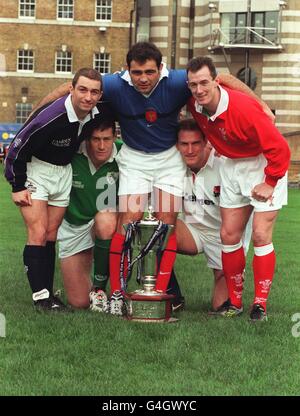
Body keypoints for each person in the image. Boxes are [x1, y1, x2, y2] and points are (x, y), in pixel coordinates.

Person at [30, 42, 274, 316]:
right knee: (129, 219)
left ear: (161, 69)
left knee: (165, 222)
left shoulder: (179, 81)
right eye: (136, 72)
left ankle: (160, 290)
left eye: (149, 72)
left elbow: (225, 79)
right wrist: (35, 116)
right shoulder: (113, 84)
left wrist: (261, 105)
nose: (143, 79)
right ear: (127, 70)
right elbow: (68, 87)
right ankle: (118, 293)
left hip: (168, 159)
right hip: (135, 158)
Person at [186, 56, 291, 321]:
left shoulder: (243, 108)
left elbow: (280, 148)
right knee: (229, 234)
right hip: (231, 166)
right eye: (193, 85)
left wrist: (270, 181)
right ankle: (234, 302)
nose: (199, 90)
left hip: (263, 163)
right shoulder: (195, 106)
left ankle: (260, 305)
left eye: (204, 83)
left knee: (259, 235)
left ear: (215, 81)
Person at [4, 67, 108, 311]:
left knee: (51, 234)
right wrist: (17, 185)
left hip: (63, 172)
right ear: (71, 89)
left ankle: (48, 294)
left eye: (94, 92)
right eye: (82, 89)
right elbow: (16, 147)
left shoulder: (95, 113)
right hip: (36, 171)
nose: (87, 96)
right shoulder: (51, 116)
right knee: (38, 233)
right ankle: (40, 298)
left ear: (100, 95)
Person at [176, 118, 252, 311]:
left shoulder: (224, 165)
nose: (190, 150)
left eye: (195, 143)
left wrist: (237, 252)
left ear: (206, 142)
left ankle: (231, 273)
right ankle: (171, 295)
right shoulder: (173, 164)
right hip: (193, 229)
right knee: (157, 229)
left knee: (222, 307)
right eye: (184, 144)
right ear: (177, 145)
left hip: (225, 235)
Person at [57, 118, 120, 312]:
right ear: (87, 139)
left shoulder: (125, 154)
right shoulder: (71, 153)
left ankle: (99, 289)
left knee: (106, 218)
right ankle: (86, 281)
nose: (102, 146)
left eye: (107, 139)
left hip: (104, 225)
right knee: (80, 303)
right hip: (73, 227)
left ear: (115, 136)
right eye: (96, 139)